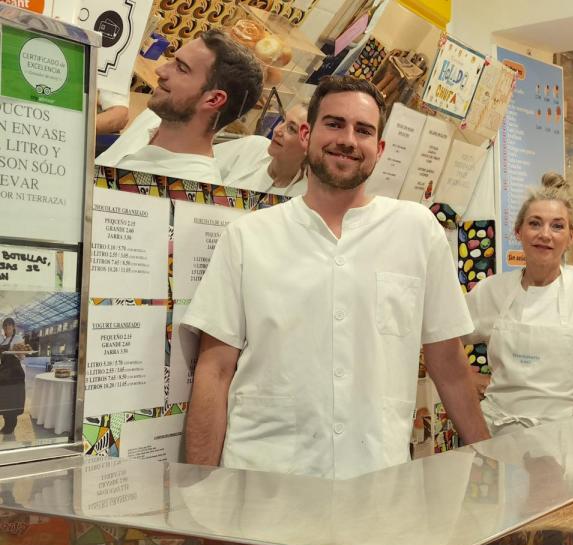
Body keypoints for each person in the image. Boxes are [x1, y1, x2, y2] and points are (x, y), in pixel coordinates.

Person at [181, 76, 489, 480]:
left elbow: (447, 363)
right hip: (266, 481)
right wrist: (197, 493)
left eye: (363, 130)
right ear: (306, 134)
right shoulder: (249, 237)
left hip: (376, 479)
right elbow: (215, 369)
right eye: (334, 123)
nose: (347, 139)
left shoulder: (416, 230)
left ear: (378, 149)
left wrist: (490, 459)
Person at [464, 173, 573, 436]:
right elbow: (444, 340)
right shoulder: (493, 289)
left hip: (561, 437)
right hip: (494, 435)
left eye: (557, 226)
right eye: (535, 224)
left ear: (571, 237)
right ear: (519, 232)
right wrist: (470, 379)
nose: (545, 234)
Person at [95, 29, 263, 184]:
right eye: (172, 61)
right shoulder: (156, 116)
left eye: (181, 68)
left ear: (214, 99)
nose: (160, 70)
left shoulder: (187, 191)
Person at [214, 103, 309, 196]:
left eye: (291, 128)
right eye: (283, 120)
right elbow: (202, 166)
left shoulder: (302, 197)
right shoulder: (254, 146)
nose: (277, 130)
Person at [0, 318, 26, 434]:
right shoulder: (3, 340)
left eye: (9, 326)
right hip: (4, 373)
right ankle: (6, 423)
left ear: (13, 326)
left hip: (14, 373)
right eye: (5, 326)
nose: (7, 328)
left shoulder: (18, 338)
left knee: (13, 400)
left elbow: (22, 357)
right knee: (4, 400)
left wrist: (18, 353)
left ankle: (11, 425)